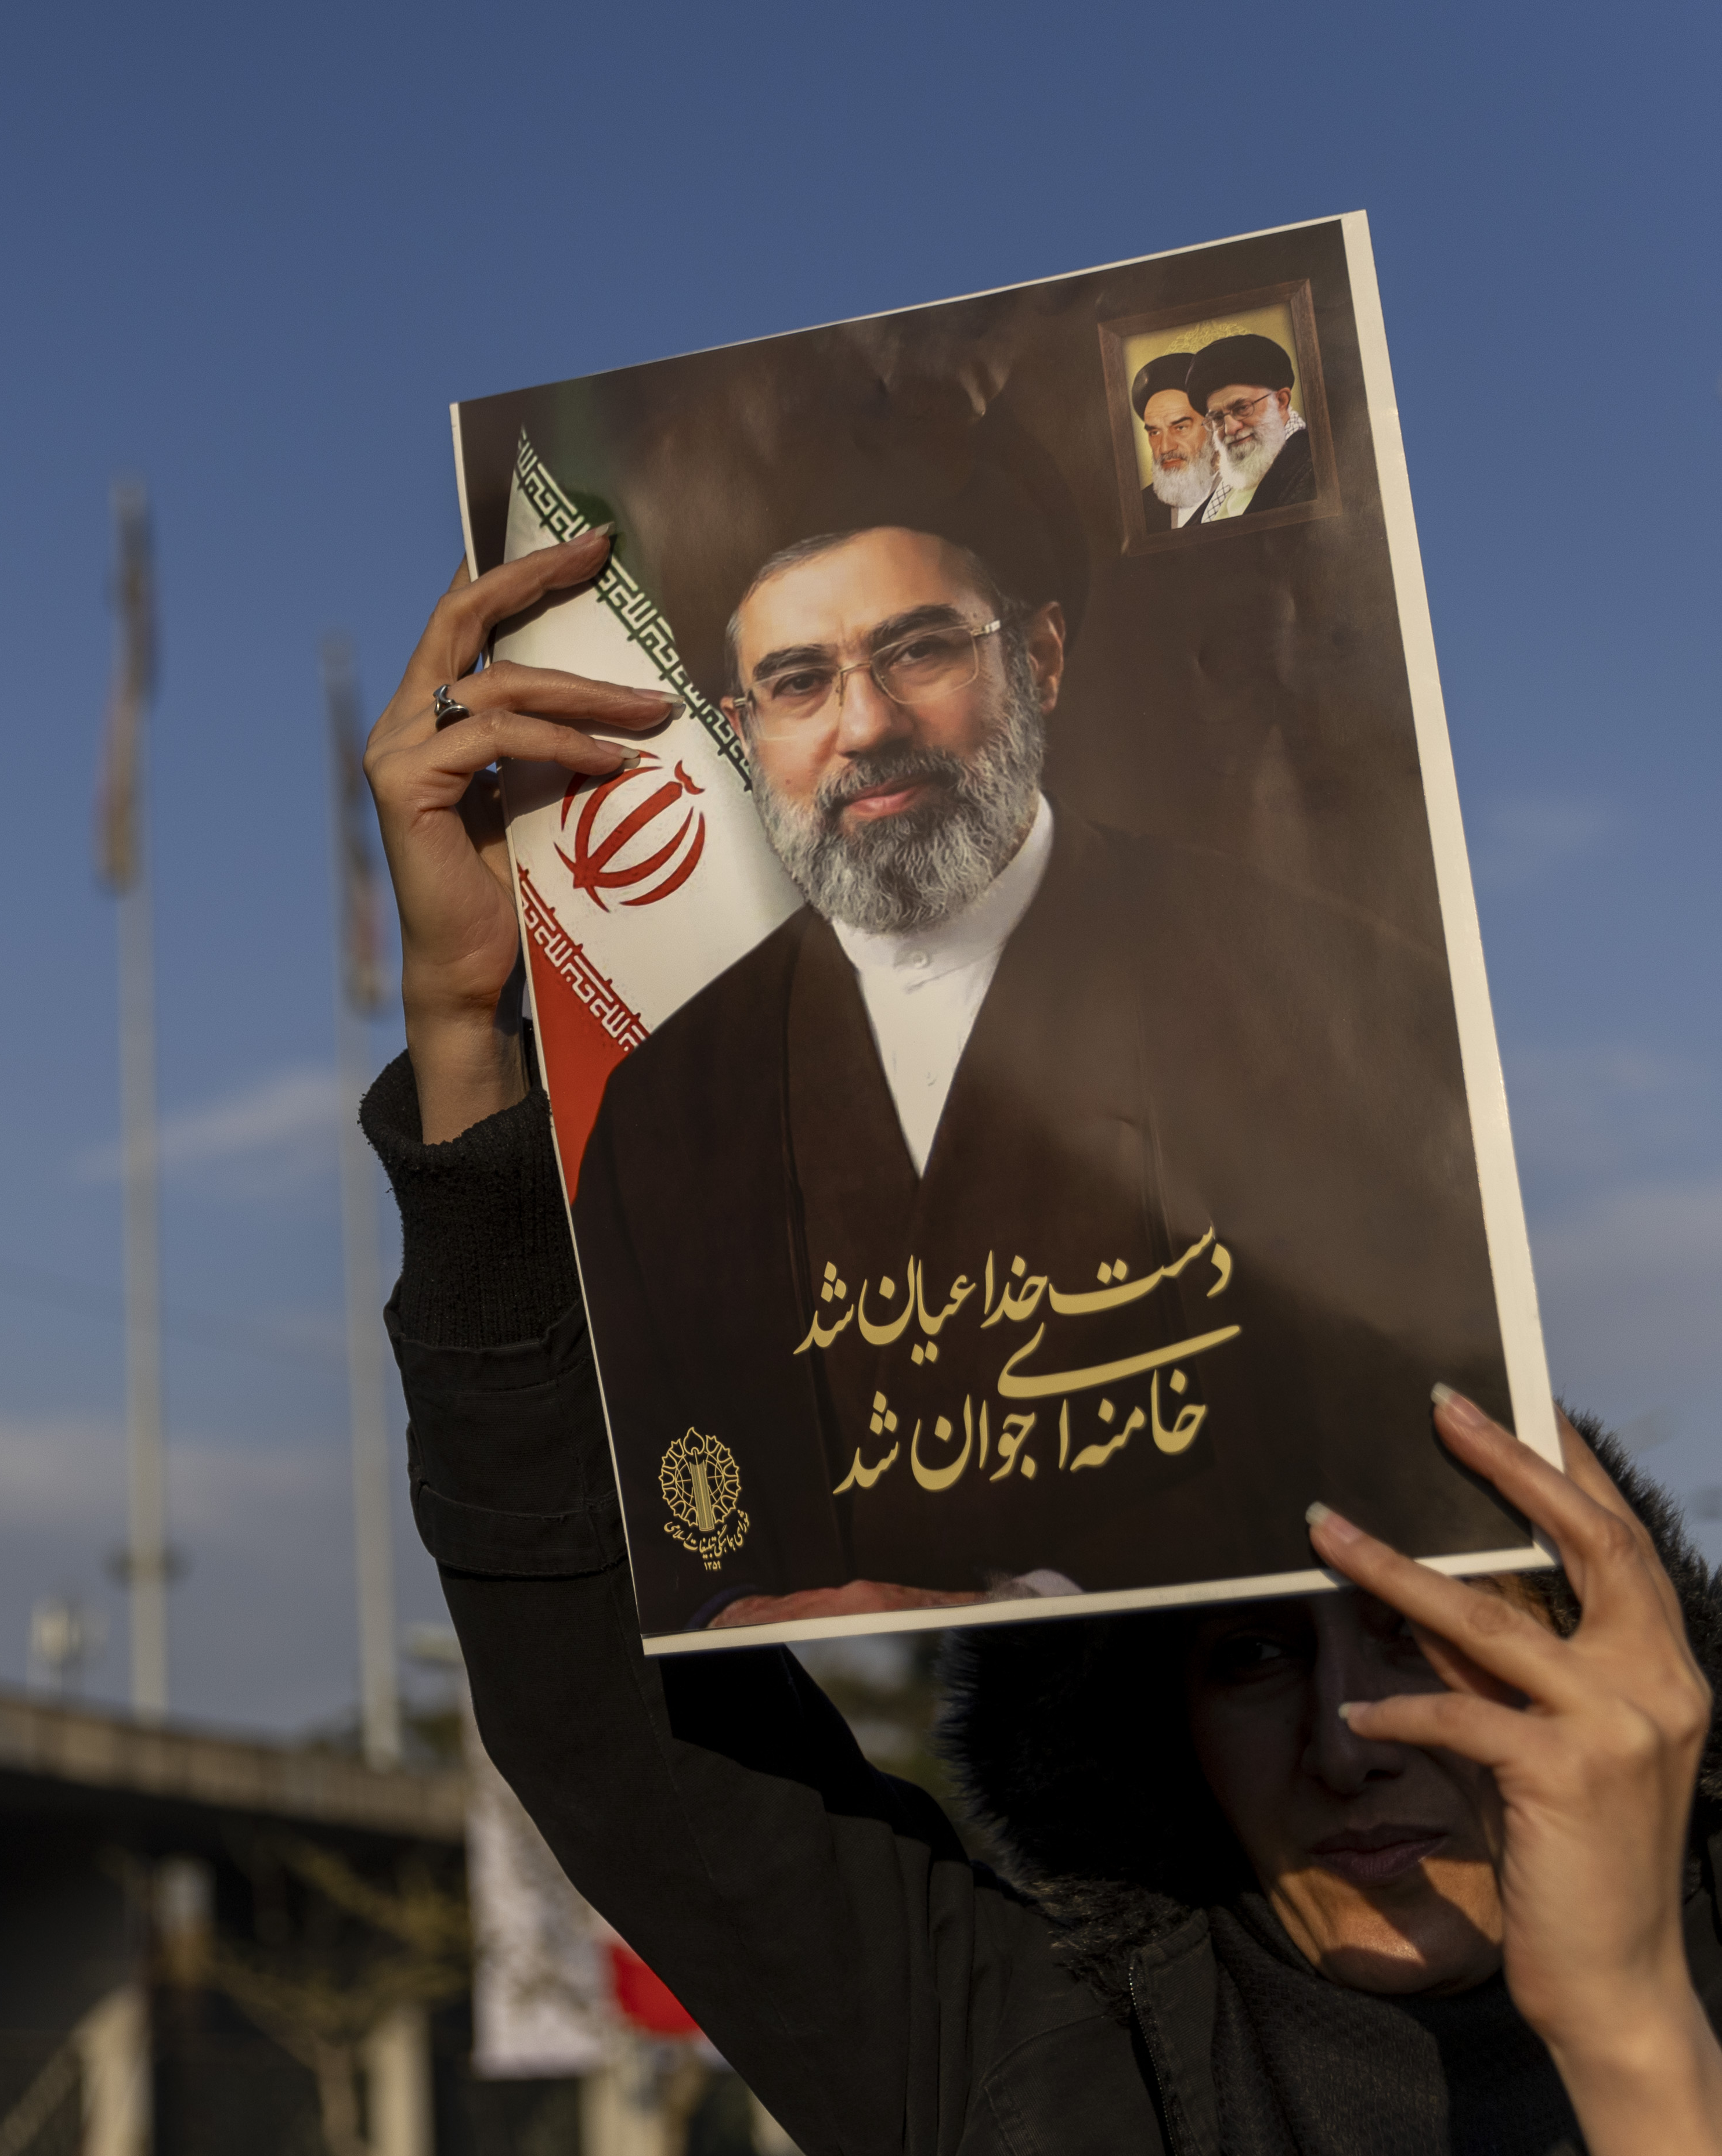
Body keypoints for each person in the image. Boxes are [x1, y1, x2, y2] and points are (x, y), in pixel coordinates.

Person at [362, 529, 1722, 2149]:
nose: (1351, 1736)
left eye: (1431, 1628)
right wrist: (464, 1039)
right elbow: (607, 1730)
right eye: (1249, 1651)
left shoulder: (1264, 952)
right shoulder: (1049, 2061)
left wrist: (1633, 2025)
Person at [551, 519, 1507, 1635]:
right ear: (745, 731)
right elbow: (636, 1486)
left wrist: (1041, 1603)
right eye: (800, 682)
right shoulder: (667, 1102)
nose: (864, 726)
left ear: (1040, 658)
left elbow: (1405, 1410)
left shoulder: (1326, 994)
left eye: (918, 653)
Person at [1189, 331, 1317, 519]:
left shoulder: (1313, 469)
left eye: (1242, 408)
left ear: (1281, 401)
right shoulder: (1221, 493)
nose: (1230, 429)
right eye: (1217, 418)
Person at [1131, 351, 1219, 529]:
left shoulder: (1251, 491)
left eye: (1180, 428)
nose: (1165, 448)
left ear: (1214, 425)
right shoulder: (1139, 508)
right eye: (1155, 432)